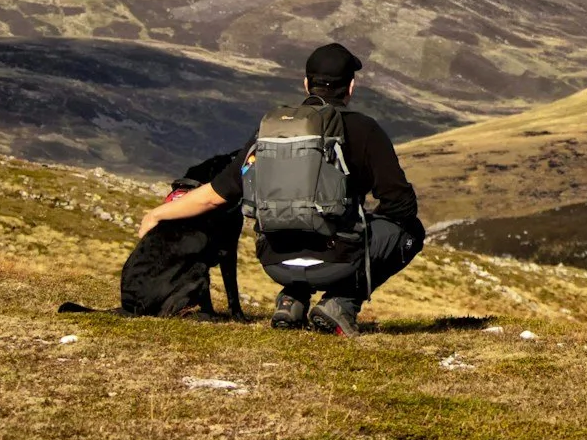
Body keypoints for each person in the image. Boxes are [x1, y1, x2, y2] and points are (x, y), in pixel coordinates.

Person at [136, 42, 421, 337]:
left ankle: (291, 300)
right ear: (351, 87)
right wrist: (362, 222)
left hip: (276, 262)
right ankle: (342, 302)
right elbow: (401, 206)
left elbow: (215, 195)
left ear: (306, 84)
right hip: (337, 261)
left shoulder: (271, 129)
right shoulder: (366, 130)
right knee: (411, 232)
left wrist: (159, 213)